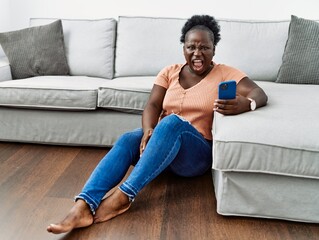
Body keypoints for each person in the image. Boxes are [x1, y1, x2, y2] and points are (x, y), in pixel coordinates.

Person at [47, 14, 268, 234]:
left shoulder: (225, 73)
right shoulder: (169, 71)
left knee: (172, 122)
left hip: (195, 156)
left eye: (204, 48)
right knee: (128, 139)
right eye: (191, 47)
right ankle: (83, 206)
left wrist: (246, 104)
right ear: (183, 48)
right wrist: (148, 130)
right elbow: (152, 105)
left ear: (214, 49)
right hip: (160, 149)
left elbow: (259, 93)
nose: (197, 53)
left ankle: (124, 196)